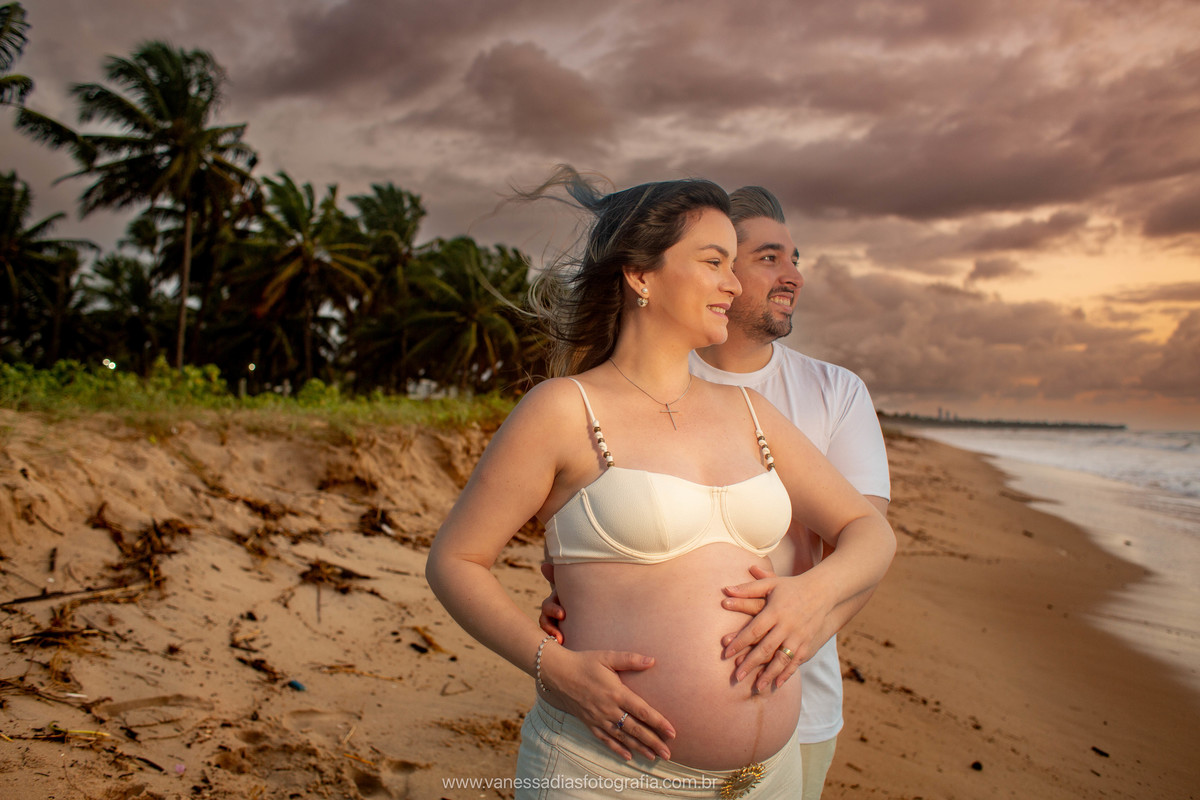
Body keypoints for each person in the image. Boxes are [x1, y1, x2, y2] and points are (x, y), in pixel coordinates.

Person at [426, 167, 895, 799]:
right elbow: (455, 560)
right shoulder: (564, 410)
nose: (733, 284)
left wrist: (812, 597)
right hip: (609, 777)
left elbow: (870, 532)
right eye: (714, 262)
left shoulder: (752, 413)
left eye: (734, 264)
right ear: (641, 275)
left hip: (769, 780)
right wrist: (553, 667)